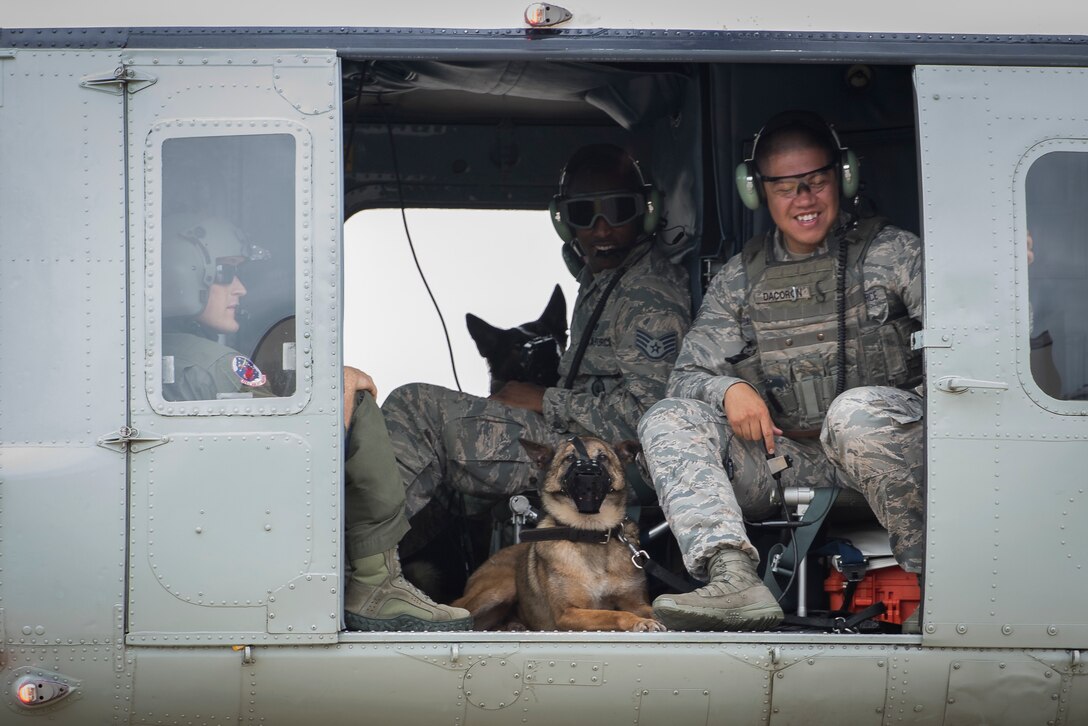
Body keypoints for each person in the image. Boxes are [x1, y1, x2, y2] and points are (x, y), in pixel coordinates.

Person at [637, 111, 925, 631]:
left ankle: (935, 580)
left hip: (893, 455)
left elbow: (972, 343)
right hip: (790, 464)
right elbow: (684, 376)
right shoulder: (741, 281)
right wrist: (729, 389)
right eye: (786, 187)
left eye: (816, 181)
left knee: (854, 414)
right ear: (757, 192)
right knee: (668, 416)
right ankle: (732, 577)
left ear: (843, 177)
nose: (805, 199)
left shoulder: (895, 254)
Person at [372, 143, 692, 558]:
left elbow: (654, 419)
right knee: (438, 452)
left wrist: (542, 399)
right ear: (565, 223)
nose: (601, 229)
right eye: (583, 215)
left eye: (618, 210)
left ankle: (364, 564)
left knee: (416, 407)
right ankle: (394, 567)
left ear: (645, 212)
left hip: (608, 460)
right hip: (576, 445)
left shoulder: (647, 295)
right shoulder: (605, 281)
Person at [161, 214, 471, 630]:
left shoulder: (171, 352)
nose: (241, 289)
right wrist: (337, 391)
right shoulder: (217, 366)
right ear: (189, 276)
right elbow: (286, 454)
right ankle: (376, 583)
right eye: (227, 274)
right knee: (357, 399)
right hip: (239, 531)